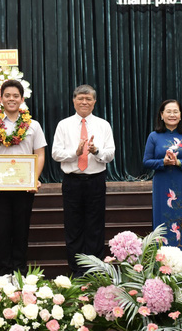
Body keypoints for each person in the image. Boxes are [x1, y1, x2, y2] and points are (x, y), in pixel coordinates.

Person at [0, 79, 46, 276]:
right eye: (7, 95)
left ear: (21, 99)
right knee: (1, 232)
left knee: (21, 231)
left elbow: (40, 153)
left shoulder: (33, 125)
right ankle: (2, 275)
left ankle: (19, 274)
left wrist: (34, 178)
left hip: (24, 187)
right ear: (1, 99)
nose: (11, 99)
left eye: (15, 96)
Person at [51, 85, 115, 277]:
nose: (84, 102)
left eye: (88, 99)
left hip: (96, 180)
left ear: (94, 102)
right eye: (80, 98)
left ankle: (95, 271)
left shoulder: (103, 125)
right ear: (74, 101)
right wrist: (75, 153)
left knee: (95, 226)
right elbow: (55, 153)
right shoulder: (64, 124)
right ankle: (77, 271)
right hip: (72, 181)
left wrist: (96, 152)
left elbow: (110, 154)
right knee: (73, 227)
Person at [143, 99, 182, 256]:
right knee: (162, 220)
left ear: (181, 115)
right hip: (162, 183)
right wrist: (163, 162)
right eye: (168, 111)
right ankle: (163, 261)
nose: (172, 115)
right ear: (161, 115)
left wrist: (179, 162)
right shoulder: (154, 137)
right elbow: (146, 161)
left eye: (176, 111)